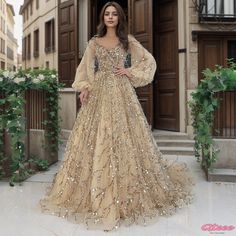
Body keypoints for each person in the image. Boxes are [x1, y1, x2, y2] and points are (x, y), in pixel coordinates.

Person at [40, 1, 193, 231]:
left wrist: (129, 71)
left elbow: (148, 61)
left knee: (125, 137)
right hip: (99, 92)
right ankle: (96, 192)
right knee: (97, 137)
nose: (111, 17)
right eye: (107, 14)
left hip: (122, 91)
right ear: (103, 18)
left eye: (114, 14)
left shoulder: (127, 40)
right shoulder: (94, 42)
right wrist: (85, 87)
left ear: (120, 17)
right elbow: (85, 67)